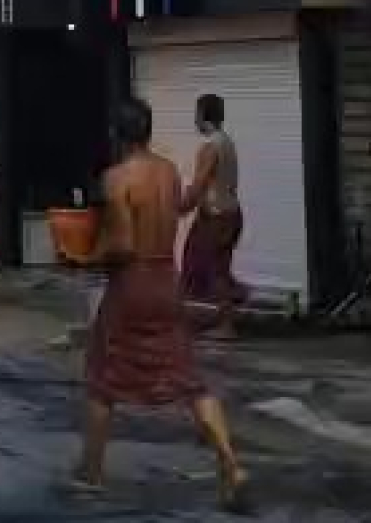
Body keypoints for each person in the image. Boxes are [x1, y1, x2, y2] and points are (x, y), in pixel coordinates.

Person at [77, 98, 248, 512]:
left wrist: (87, 255)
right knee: (189, 378)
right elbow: (178, 211)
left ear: (118, 134)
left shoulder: (117, 179)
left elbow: (120, 244)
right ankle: (231, 461)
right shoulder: (168, 172)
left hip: (131, 284)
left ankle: (91, 471)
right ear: (148, 131)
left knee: (104, 377)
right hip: (165, 281)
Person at [180, 93, 245, 338]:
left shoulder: (209, 148)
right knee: (215, 268)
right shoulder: (227, 142)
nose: (194, 120)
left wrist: (177, 208)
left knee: (201, 267)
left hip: (216, 217)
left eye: (196, 114)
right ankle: (233, 302)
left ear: (202, 116)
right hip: (229, 212)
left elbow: (199, 186)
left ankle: (223, 324)